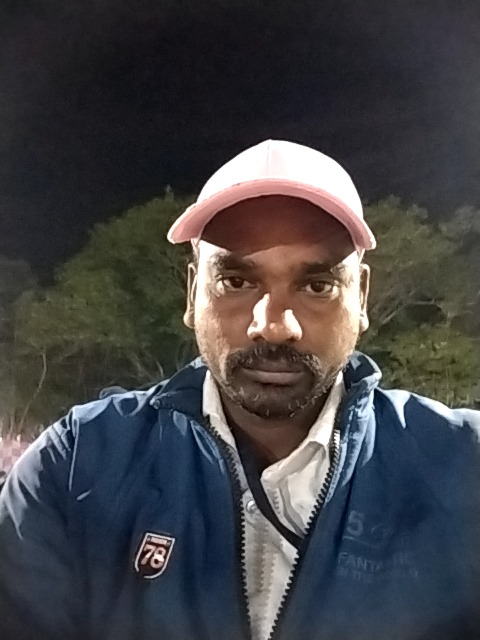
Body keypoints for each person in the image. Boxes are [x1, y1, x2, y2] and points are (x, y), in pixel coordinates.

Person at [0, 139, 479, 640]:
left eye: (317, 286)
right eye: (235, 282)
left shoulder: (465, 465)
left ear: (361, 298)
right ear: (193, 294)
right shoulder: (74, 464)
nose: (273, 326)